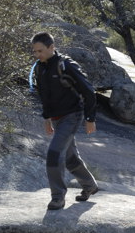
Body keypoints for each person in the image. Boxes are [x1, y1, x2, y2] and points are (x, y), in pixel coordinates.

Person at [31, 32, 99, 210]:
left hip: (72, 116)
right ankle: (90, 186)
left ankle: (58, 197)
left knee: (54, 153)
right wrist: (47, 118)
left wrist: (90, 118)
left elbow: (89, 91)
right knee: (70, 158)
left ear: (52, 47)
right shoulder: (40, 68)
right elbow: (43, 95)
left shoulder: (66, 65)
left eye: (41, 51)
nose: (38, 55)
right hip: (56, 119)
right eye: (35, 51)